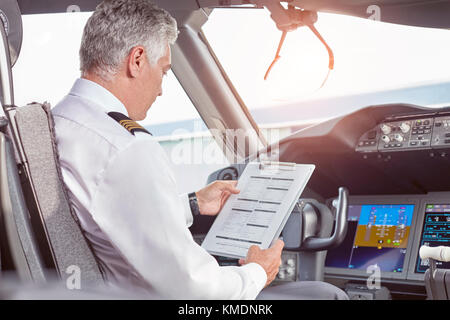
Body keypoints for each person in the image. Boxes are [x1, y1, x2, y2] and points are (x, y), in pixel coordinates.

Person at [52, 0, 284, 299]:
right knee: (322, 293)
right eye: (163, 70)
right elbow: (192, 289)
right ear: (137, 60)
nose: (161, 89)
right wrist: (256, 272)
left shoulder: (59, 122)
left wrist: (191, 204)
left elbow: (105, 212)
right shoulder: (126, 148)